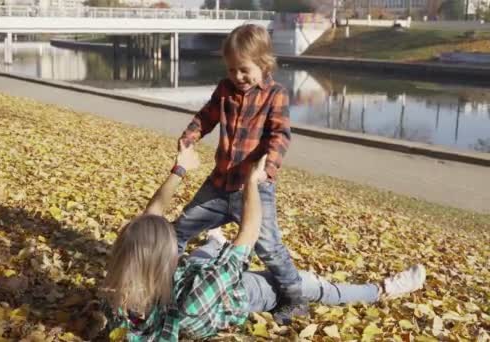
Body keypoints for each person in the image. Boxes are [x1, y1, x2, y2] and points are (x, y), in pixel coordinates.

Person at [103, 146, 426, 341]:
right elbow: (249, 232)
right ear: (165, 259)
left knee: (206, 254)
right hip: (235, 295)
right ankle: (381, 290)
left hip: (190, 275)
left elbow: (152, 215)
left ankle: (214, 242)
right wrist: (252, 184)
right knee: (313, 286)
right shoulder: (195, 301)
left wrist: (181, 167)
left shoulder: (119, 291)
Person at [174, 23, 303, 321]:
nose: (238, 77)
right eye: (232, 70)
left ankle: (294, 295)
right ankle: (161, 275)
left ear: (263, 62)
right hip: (219, 185)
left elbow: (280, 135)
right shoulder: (224, 90)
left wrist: (266, 170)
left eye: (244, 70)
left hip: (254, 190)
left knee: (269, 246)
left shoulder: (276, 95)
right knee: (180, 228)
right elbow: (205, 117)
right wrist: (189, 138)